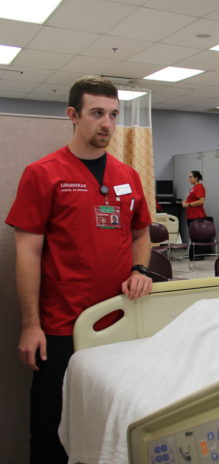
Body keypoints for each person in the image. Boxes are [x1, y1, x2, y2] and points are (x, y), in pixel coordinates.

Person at [5, 75, 153, 463]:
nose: (107, 124)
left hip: (117, 319)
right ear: (73, 115)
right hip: (60, 325)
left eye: (114, 115)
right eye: (96, 113)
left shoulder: (127, 176)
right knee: (52, 426)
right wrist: (30, 324)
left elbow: (142, 233)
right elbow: (27, 253)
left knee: (109, 417)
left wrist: (141, 269)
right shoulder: (44, 173)